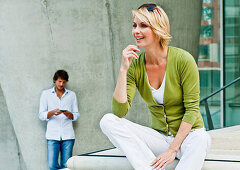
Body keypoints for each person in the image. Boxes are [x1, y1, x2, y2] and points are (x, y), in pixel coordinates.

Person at [100, 3, 211, 170]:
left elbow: (192, 109)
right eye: (134, 25)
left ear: (158, 29)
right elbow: (119, 112)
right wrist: (123, 69)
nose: (136, 30)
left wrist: (173, 149)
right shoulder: (135, 65)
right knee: (107, 120)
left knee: (202, 139)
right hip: (160, 138)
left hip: (190, 136)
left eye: (143, 25)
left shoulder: (183, 60)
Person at [39, 70, 80, 170]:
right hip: (52, 136)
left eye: (64, 82)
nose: (61, 84)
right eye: (59, 81)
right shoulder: (46, 94)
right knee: (52, 166)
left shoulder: (72, 95)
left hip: (68, 136)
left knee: (66, 166)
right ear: (54, 80)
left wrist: (70, 115)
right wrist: (52, 112)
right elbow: (41, 115)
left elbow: (77, 115)